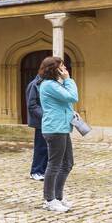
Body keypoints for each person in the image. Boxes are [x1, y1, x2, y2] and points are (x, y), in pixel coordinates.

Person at [38, 57, 79, 213]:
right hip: (55, 129)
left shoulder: (55, 84)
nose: (65, 69)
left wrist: (71, 113)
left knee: (67, 163)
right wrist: (69, 80)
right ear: (53, 69)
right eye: (62, 66)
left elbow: (62, 103)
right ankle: (49, 200)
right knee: (54, 165)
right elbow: (73, 97)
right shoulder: (48, 85)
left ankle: (58, 198)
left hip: (61, 128)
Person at [25, 72, 47, 181]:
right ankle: (36, 171)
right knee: (41, 147)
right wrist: (45, 116)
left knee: (48, 148)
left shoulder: (48, 84)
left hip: (49, 122)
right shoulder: (34, 85)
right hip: (41, 122)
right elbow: (32, 105)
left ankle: (44, 170)